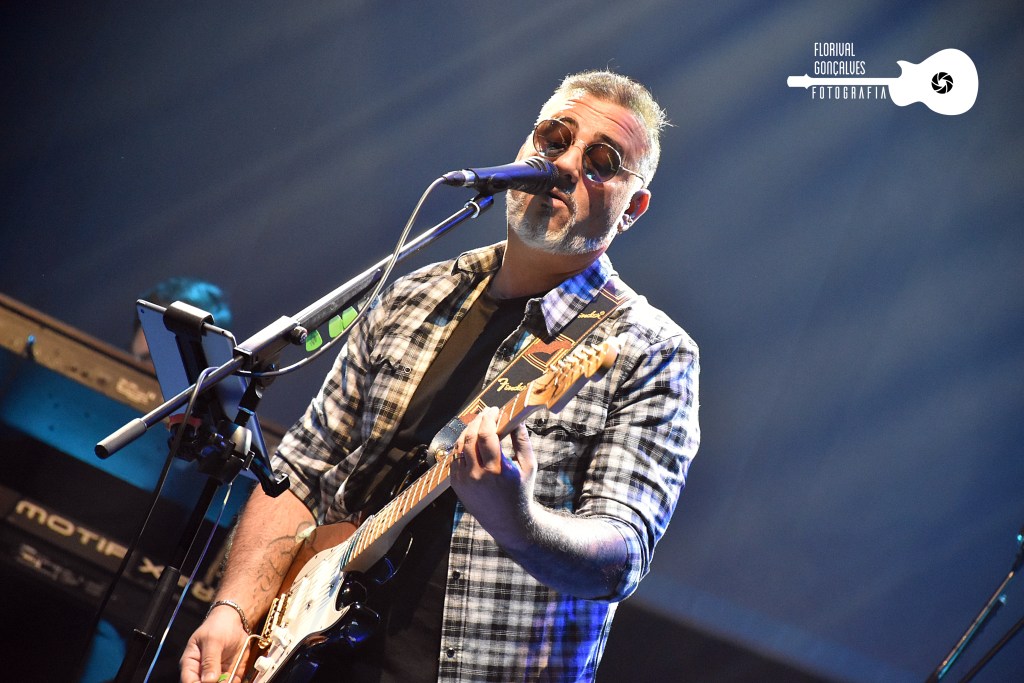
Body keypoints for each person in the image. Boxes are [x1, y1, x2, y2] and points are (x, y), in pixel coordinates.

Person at [179, 70, 700, 683]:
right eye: (554, 138)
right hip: (306, 657)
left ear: (632, 208)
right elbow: (301, 472)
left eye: (601, 161)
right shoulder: (415, 294)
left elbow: (621, 558)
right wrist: (235, 609)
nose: (565, 164)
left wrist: (518, 520)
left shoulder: (651, 350)